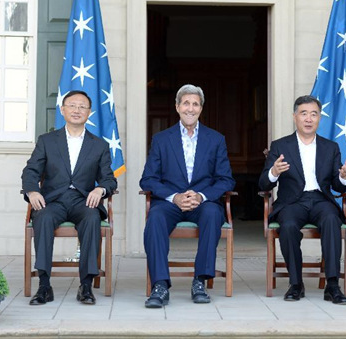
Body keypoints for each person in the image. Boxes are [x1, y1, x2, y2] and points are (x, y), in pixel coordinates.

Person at [140, 84, 236, 308]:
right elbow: (148, 179)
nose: (190, 108)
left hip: (203, 202)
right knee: (154, 218)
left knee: (213, 213)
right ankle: (160, 285)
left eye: (195, 104)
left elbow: (226, 179)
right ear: (177, 107)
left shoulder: (216, 139)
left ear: (201, 108)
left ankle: (200, 281)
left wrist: (202, 196)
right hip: (170, 202)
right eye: (186, 103)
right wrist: (174, 197)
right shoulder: (162, 139)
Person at [22, 90, 117, 306]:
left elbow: (109, 179)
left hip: (83, 201)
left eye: (82, 106)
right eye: (72, 105)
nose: (77, 110)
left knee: (92, 219)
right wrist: (32, 191)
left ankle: (85, 285)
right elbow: (30, 172)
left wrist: (100, 189)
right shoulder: (47, 141)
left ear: (89, 113)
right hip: (52, 201)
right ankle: (44, 285)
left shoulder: (99, 145)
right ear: (63, 110)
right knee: (43, 218)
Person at [258, 95, 346, 305]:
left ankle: (333, 285)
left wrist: (344, 177)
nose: (309, 119)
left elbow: (337, 186)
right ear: (295, 117)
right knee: (289, 225)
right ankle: (296, 284)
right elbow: (264, 184)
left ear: (319, 118)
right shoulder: (280, 146)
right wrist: (273, 171)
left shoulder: (331, 147)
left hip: (321, 200)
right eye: (304, 114)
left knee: (331, 220)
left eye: (314, 114)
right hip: (292, 202)